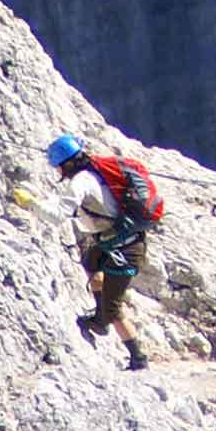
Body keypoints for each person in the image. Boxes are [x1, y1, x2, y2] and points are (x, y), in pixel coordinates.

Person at [48, 134, 151, 371]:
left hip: (124, 249)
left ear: (65, 164)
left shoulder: (81, 182)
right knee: (91, 259)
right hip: (119, 241)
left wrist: (30, 204)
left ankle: (138, 358)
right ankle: (99, 319)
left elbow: (58, 215)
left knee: (113, 307)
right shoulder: (98, 174)